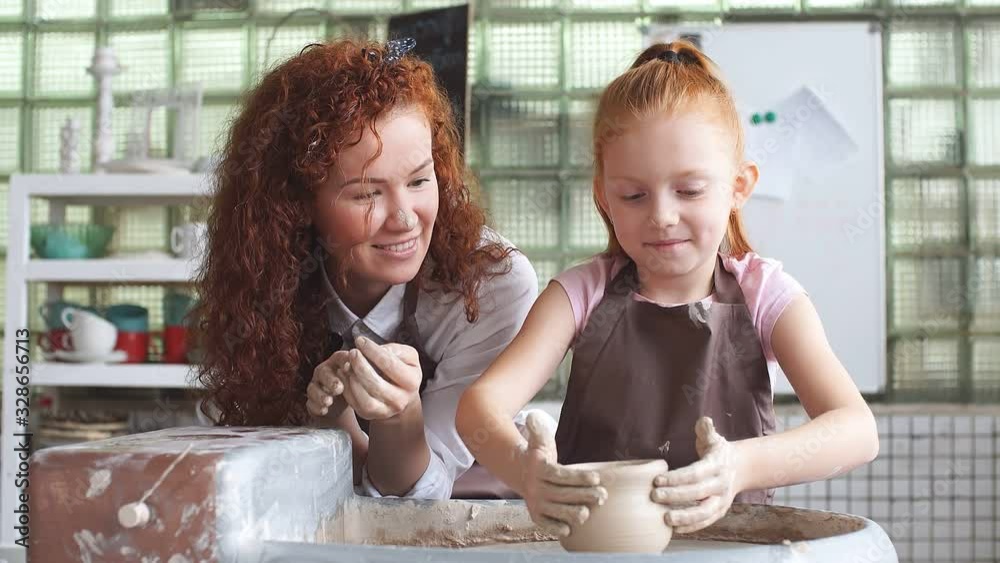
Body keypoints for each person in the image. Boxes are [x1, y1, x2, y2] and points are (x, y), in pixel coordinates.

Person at [456, 41, 879, 536]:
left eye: (689, 190)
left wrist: (741, 465)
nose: (661, 215)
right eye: (633, 195)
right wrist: (525, 472)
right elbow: (478, 408)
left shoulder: (767, 296)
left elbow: (857, 430)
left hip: (729, 549)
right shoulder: (579, 294)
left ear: (739, 187)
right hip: (603, 548)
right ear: (603, 195)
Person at [193, 38, 537, 500]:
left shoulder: (493, 284)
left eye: (419, 180)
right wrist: (332, 421)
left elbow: (420, 497)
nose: (404, 219)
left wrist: (400, 415)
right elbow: (285, 483)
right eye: (366, 194)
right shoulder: (265, 282)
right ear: (297, 205)